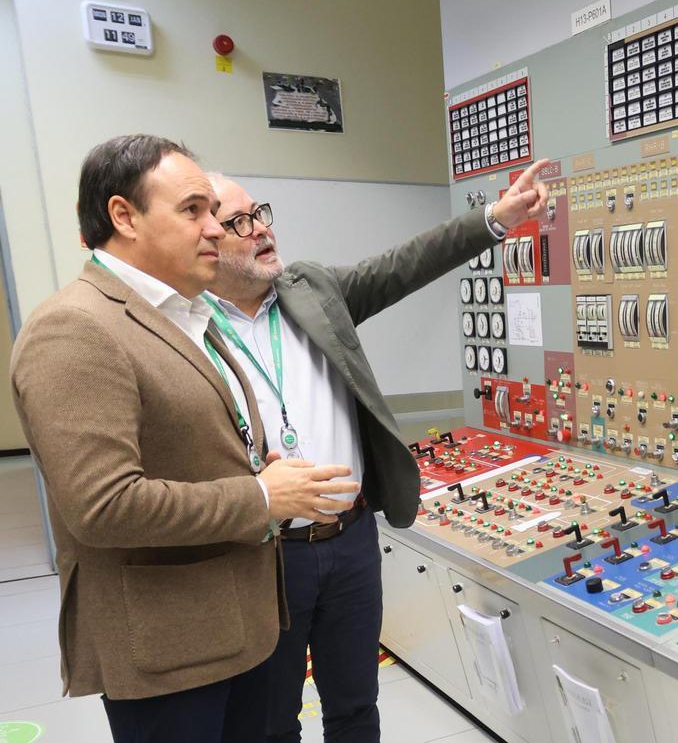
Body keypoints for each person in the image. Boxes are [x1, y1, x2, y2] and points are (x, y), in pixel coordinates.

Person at [9, 134, 362, 743]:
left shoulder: (185, 315)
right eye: (193, 211)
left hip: (239, 626)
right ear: (124, 216)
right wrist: (259, 498)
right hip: (170, 651)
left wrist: (256, 466)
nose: (217, 229)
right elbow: (104, 505)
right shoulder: (74, 328)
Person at [203, 159, 551, 742]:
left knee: (357, 707)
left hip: (352, 540)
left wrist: (496, 217)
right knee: (270, 722)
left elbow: (403, 266)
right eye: (240, 222)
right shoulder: (186, 328)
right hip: (266, 555)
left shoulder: (309, 288)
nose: (262, 229)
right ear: (205, 242)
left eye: (261, 213)